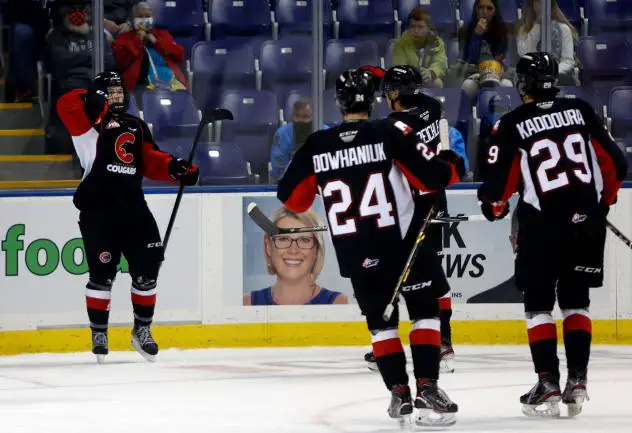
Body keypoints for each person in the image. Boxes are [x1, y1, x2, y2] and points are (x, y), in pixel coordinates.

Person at [277, 68, 464, 427]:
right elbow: (431, 180)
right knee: (425, 314)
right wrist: (451, 163)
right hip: (403, 245)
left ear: (339, 102)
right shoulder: (388, 132)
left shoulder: (317, 143)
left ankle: (398, 393)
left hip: (354, 251)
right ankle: (428, 388)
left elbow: (292, 199)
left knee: (381, 326)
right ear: (374, 98)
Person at [478, 52, 627, 418]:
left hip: (541, 226)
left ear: (524, 84)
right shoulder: (580, 109)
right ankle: (578, 380)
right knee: (577, 301)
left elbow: (500, 186)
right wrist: (601, 204)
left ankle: (547, 383)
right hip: (584, 223)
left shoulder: (511, 123)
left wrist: (494, 207)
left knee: (539, 304)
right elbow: (616, 163)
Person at [56, 71, 199, 363]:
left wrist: (175, 168)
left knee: (148, 271)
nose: (117, 96)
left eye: (120, 91)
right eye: (110, 91)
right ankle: (99, 332)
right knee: (101, 275)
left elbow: (149, 159)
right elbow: (64, 103)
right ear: (100, 94)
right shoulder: (86, 123)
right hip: (99, 208)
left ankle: (141, 331)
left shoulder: (135, 125)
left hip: (134, 207)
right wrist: (94, 100)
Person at [361, 65, 458, 375]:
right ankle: (443, 341)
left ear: (394, 94)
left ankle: (427, 342)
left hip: (411, 208)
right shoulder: (433, 107)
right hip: (437, 199)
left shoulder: (392, 126)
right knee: (430, 273)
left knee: (407, 276)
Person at [244, 207, 348, 305]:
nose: (293, 250)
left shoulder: (338, 303)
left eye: (304, 240)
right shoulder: (248, 303)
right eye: (283, 239)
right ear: (268, 247)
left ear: (317, 249)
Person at [113, 2, 187, 92]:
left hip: (171, 84)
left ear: (153, 19)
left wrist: (157, 42)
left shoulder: (162, 35)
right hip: (142, 87)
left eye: (147, 16)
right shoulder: (124, 38)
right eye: (140, 16)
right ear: (132, 19)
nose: (144, 20)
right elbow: (121, 62)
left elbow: (179, 54)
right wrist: (137, 41)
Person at [452, 0, 513, 100]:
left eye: (489, 8)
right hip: (474, 73)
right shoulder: (466, 30)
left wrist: (500, 69)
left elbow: (504, 57)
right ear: (476, 9)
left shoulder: (502, 30)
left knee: (507, 86)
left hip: (497, 72)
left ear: (495, 11)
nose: (484, 11)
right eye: (481, 7)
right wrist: (477, 35)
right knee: (467, 86)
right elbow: (469, 58)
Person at [517, 0, 577, 86]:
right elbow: (524, 53)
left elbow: (568, 61)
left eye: (543, 2)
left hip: (557, 76)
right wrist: (537, 25)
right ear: (532, 4)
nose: (540, 5)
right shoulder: (524, 29)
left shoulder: (563, 28)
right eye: (537, 2)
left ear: (550, 4)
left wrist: (551, 72)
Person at [270, 99, 323, 183]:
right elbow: (278, 168)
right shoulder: (282, 134)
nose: (301, 120)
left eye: (305, 117)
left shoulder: (325, 132)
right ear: (292, 116)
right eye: (297, 116)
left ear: (314, 116)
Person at [391, 7, 447, 88]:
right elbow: (399, 67)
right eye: (413, 26)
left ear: (428, 28)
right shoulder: (401, 44)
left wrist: (431, 73)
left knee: (437, 83)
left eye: (420, 27)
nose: (416, 30)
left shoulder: (437, 42)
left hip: (428, 78)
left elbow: (440, 62)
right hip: (408, 80)